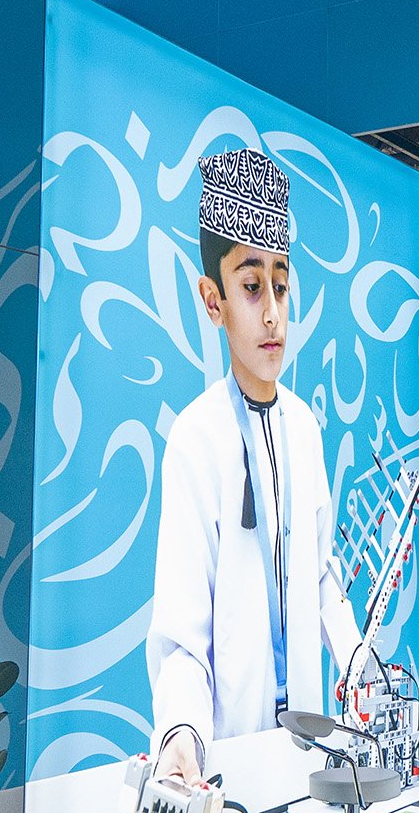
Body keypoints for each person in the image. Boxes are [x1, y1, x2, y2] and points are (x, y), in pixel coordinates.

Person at [148, 149, 366, 779]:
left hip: (310, 747)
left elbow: (318, 573)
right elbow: (181, 634)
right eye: (250, 287)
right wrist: (182, 736)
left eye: (281, 285)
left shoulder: (305, 427)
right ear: (212, 300)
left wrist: (357, 664)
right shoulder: (196, 439)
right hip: (226, 759)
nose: (272, 312)